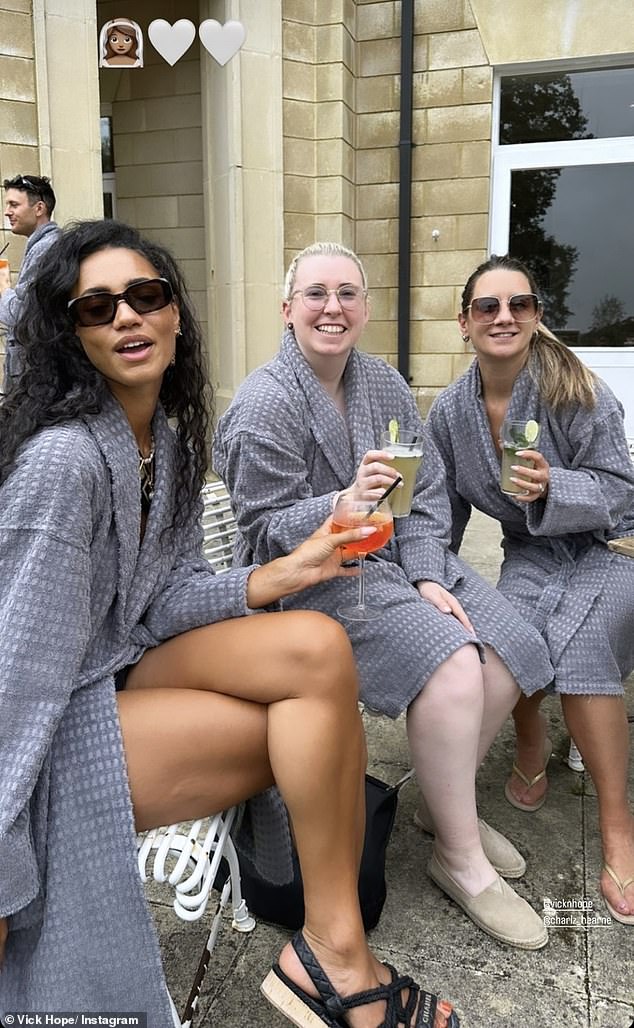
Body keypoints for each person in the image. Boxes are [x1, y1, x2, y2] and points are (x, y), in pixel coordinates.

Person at [0, 219, 462, 1028]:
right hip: (48, 727)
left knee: (319, 646)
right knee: (309, 734)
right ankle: (340, 967)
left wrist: (288, 569)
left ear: (177, 314)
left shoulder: (166, 444)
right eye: (96, 307)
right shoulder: (64, 463)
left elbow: (168, 596)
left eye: (147, 296)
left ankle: (329, 943)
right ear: (69, 336)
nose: (127, 318)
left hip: (121, 662)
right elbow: (17, 673)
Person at [213, 241, 554, 950]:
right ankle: (458, 861)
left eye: (347, 293)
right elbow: (265, 529)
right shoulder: (263, 405)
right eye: (315, 294)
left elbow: (423, 494)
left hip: (401, 559)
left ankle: (442, 800)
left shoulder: (384, 385)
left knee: (514, 645)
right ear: (287, 309)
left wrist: (430, 572)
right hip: (316, 582)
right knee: (458, 667)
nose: (332, 307)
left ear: (366, 308)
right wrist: (338, 503)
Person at [426, 253, 634, 926]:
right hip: (535, 549)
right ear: (465, 323)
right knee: (508, 634)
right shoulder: (450, 415)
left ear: (537, 316)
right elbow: (439, 511)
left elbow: (620, 492)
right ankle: (532, 741)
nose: (503, 317)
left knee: (578, 653)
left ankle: (615, 820)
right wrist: (432, 575)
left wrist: (555, 487)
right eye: (487, 306)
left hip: (614, 543)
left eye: (519, 304)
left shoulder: (578, 391)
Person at [0, 174, 60, 389]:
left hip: (36, 380)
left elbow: (16, 314)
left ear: (39, 208)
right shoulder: (43, 245)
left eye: (14, 204)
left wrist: (4, 286)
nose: (7, 212)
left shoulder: (46, 248)